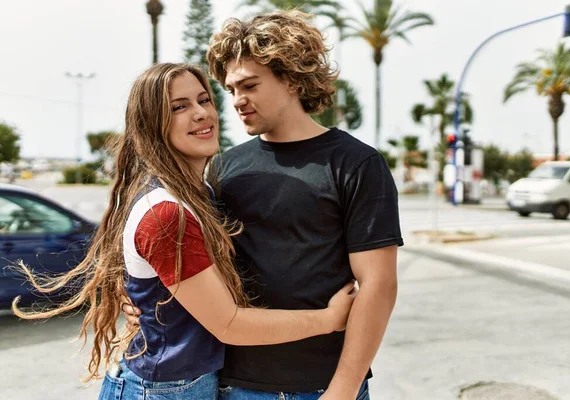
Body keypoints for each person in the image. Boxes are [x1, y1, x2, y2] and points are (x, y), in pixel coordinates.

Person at [11, 62, 357, 400]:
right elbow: (228, 324)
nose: (201, 113)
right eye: (179, 107)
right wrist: (328, 319)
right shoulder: (166, 213)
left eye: (204, 100)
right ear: (151, 125)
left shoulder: (197, 194)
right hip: (161, 389)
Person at [126, 10, 403, 400]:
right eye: (231, 90)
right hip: (231, 383)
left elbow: (379, 284)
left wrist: (343, 389)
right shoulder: (221, 167)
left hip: (322, 385)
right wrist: (134, 297)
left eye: (250, 86)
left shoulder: (356, 164)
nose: (237, 101)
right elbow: (173, 253)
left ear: (291, 78)